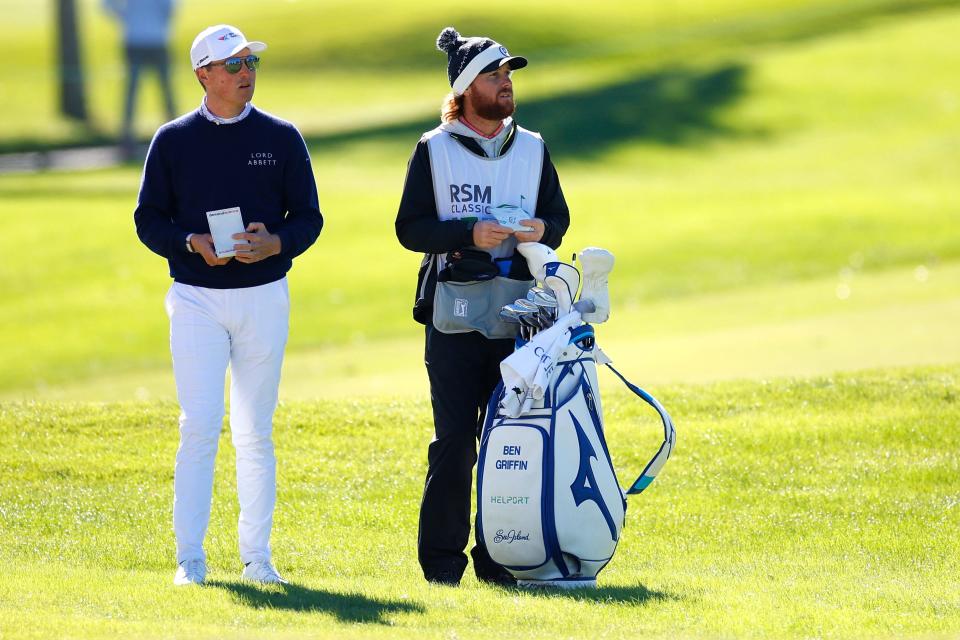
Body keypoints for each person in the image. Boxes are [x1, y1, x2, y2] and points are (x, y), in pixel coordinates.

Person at [134, 24, 323, 586]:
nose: (247, 74)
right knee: (199, 425)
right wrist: (189, 243)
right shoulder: (172, 140)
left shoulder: (283, 137)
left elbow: (309, 217)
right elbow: (148, 219)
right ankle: (190, 559)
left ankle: (257, 559)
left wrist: (278, 243)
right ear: (204, 75)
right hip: (195, 298)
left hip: (264, 297)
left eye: (251, 63)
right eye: (235, 66)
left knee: (254, 431)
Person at [395, 27, 570, 586]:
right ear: (468, 87)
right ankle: (442, 566)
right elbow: (410, 229)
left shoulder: (534, 146)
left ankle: (500, 560)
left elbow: (558, 220)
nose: (506, 84)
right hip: (454, 314)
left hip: (522, 315)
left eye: (508, 75)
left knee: (508, 440)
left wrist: (542, 229)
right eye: (495, 76)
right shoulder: (434, 148)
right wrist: (470, 233)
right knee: (454, 442)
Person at [103, 0, 177, 153]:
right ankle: (176, 136)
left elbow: (108, 5)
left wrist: (127, 18)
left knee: (133, 93)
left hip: (135, 38)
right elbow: (170, 8)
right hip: (156, 38)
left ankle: (127, 140)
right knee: (165, 92)